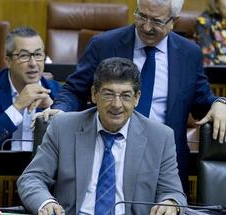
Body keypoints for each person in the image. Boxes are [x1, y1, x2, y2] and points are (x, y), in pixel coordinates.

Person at [39, 0, 226, 192]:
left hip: (162, 162)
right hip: (107, 151)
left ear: (174, 20)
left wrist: (220, 103)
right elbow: (75, 89)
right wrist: (61, 109)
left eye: (156, 21)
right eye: (141, 16)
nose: (146, 27)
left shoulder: (189, 53)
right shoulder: (104, 45)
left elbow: (201, 101)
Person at [18, 57, 186, 215]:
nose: (117, 104)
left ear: (137, 98)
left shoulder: (160, 137)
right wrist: (46, 202)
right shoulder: (63, 128)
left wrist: (170, 203)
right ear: (94, 94)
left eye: (126, 96)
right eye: (108, 94)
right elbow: (32, 178)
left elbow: (172, 192)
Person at [0, 27, 61, 150]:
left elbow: (72, 147)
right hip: (0, 168)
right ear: (8, 61)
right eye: (24, 56)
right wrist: (17, 107)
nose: (33, 63)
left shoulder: (57, 92)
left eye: (38, 54)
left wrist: (50, 108)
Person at [195, 0, 226, 66]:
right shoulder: (204, 21)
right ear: (216, 1)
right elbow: (208, 59)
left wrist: (224, 59)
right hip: (217, 74)